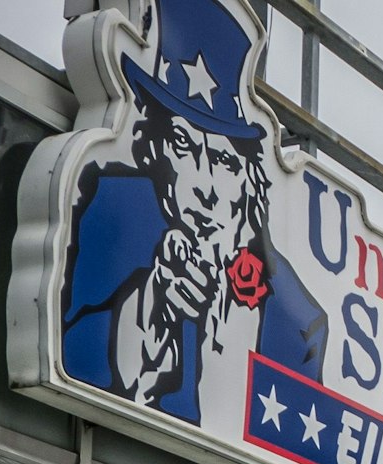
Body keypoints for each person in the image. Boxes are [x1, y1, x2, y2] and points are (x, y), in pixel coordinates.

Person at [59, 0, 327, 426]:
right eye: (183, 146)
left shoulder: (298, 322)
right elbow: (60, 344)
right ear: (154, 149)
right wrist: (149, 307)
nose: (203, 186)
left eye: (223, 161)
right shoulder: (102, 206)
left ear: (249, 178)